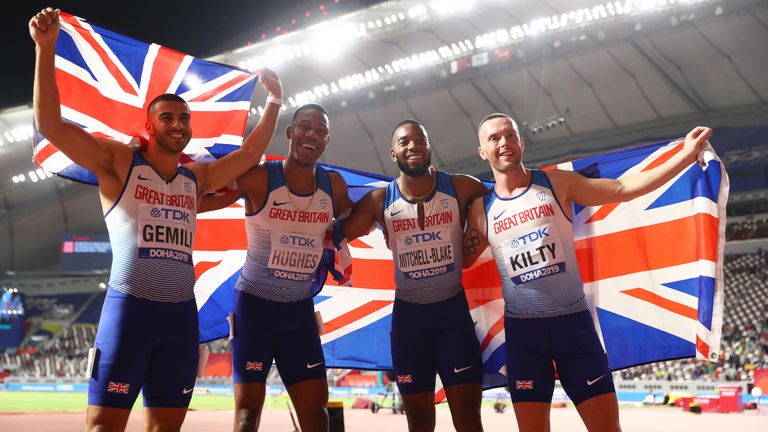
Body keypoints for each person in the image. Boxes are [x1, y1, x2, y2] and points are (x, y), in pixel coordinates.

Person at [30, 8, 283, 432]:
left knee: (166, 428)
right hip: (129, 313)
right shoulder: (118, 162)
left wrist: (273, 101)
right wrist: (46, 48)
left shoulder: (194, 178)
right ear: (149, 124)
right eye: (167, 117)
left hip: (179, 318)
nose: (178, 125)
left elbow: (247, 157)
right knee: (103, 427)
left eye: (184, 119)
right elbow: (51, 125)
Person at [462, 113, 712, 432]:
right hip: (524, 337)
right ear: (483, 152)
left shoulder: (556, 184)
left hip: (573, 329)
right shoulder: (481, 210)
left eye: (509, 135)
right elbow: (461, 260)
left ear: (521, 142)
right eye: (494, 138)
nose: (504, 142)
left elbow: (622, 188)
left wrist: (684, 155)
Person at [199, 103, 353, 432]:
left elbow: (360, 219)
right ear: (290, 132)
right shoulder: (259, 177)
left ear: (327, 140)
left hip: (299, 312)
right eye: (305, 127)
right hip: (255, 309)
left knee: (316, 415)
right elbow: (198, 195)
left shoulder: (334, 186)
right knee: (247, 415)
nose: (312, 134)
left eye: (321, 131)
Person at [336, 120, 489, 431]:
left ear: (429, 147)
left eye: (420, 140)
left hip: (452, 317)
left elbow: (503, 201)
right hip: (409, 322)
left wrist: (474, 237)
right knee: (418, 422)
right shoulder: (379, 202)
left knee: (469, 419)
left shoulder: (461, 186)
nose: (413, 146)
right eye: (405, 142)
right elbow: (334, 234)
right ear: (394, 152)